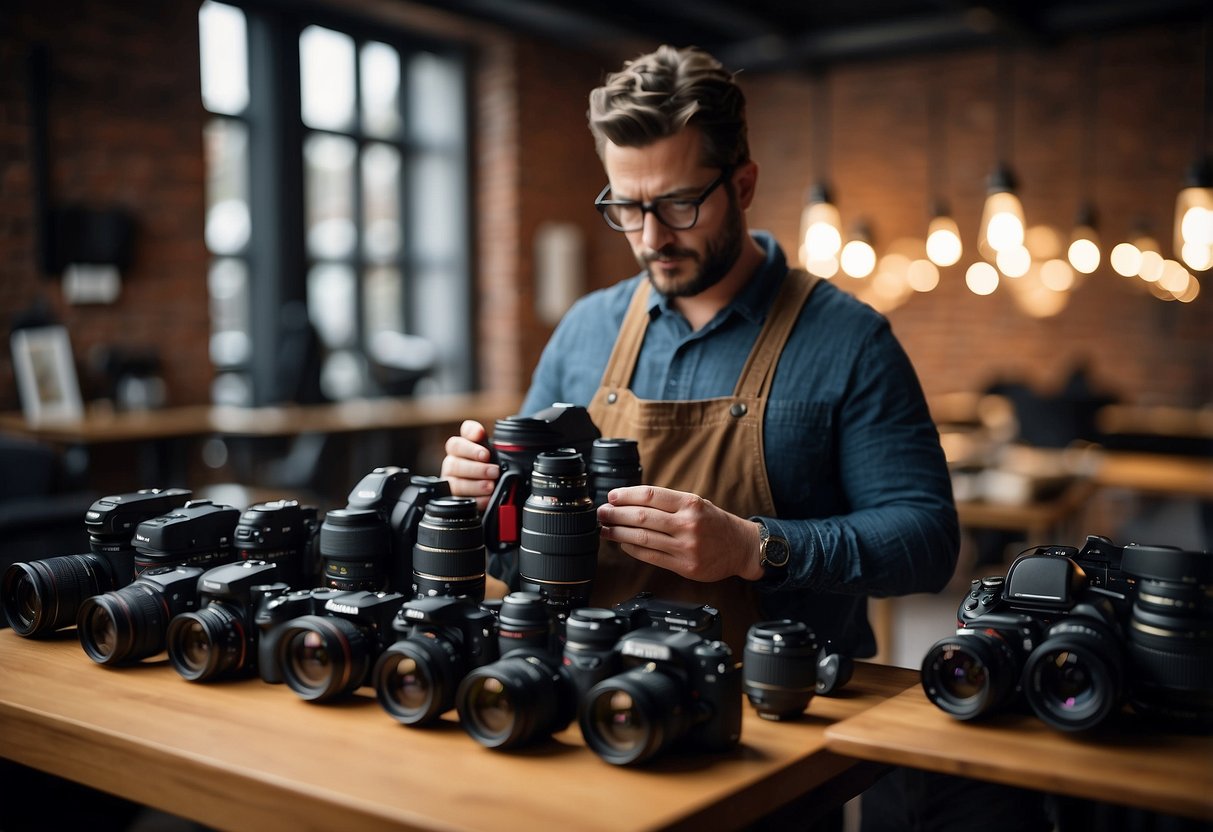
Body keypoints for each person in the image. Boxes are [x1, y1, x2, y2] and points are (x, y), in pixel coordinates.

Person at [442, 43, 957, 659]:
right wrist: (484, 501)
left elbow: (926, 543)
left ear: (743, 186)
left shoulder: (849, 340)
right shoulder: (584, 331)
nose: (652, 238)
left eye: (679, 204)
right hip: (589, 693)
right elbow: (518, 546)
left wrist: (752, 548)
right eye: (628, 208)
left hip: (775, 709)